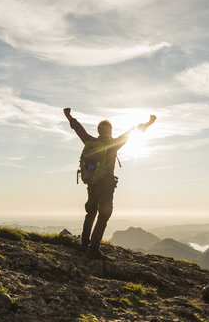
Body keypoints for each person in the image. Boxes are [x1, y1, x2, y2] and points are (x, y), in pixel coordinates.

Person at [63, 108, 156, 259]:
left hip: (92, 184)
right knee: (104, 215)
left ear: (99, 131)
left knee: (90, 212)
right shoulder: (114, 143)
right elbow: (131, 132)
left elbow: (78, 129)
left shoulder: (90, 141)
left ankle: (84, 245)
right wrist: (149, 123)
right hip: (106, 185)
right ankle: (93, 249)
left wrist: (68, 116)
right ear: (110, 131)